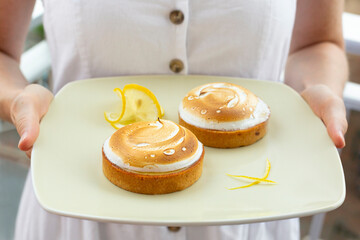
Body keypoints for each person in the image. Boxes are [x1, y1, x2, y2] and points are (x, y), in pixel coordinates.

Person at [0, 0, 348, 239]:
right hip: (76, 216)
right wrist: (18, 97)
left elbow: (318, 43)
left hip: (252, 217)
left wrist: (316, 89)